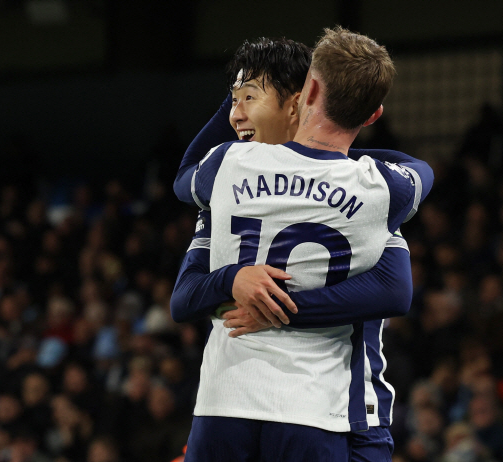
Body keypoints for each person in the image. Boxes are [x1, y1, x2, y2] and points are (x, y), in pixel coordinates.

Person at [171, 28, 433, 461]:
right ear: (374, 115)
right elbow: (396, 286)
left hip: (259, 403)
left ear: (303, 95)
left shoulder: (225, 169)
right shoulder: (375, 189)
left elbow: (184, 177)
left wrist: (256, 299)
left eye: (249, 97)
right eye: (234, 99)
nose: (238, 112)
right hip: (313, 408)